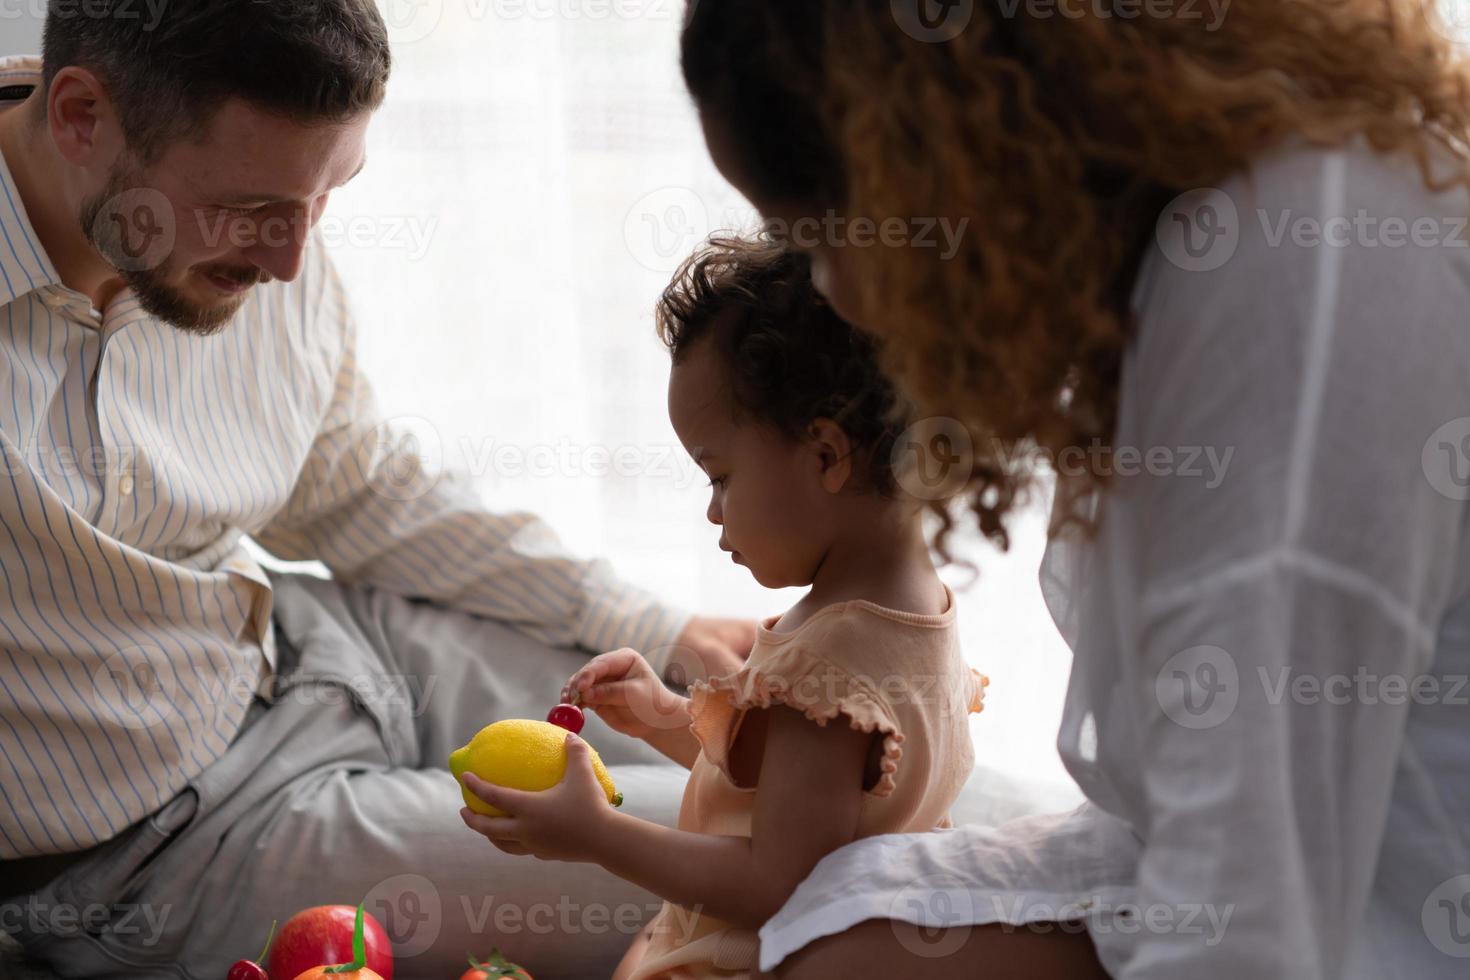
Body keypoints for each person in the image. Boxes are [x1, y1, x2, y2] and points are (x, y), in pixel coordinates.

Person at [679, 1, 1470, 978]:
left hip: (1387, 910)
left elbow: (1249, 901)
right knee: (827, 929)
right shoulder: (1200, 239)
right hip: (1273, 860)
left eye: (819, 229)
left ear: (933, 153)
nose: (833, 292)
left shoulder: (1287, 284)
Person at [0, 2, 753, 975]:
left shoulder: (259, 212)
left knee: (824, 752)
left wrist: (657, 624)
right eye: (254, 208)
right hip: (177, 844)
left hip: (338, 642)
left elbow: (354, 484)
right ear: (79, 117)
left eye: (327, 196)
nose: (291, 262)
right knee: (784, 863)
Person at [457, 235, 988, 979]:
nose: (713, 513)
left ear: (827, 455)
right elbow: (806, 801)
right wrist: (669, 719)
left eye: (720, 476)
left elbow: (777, 883)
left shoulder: (832, 663)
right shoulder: (912, 611)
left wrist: (599, 834)